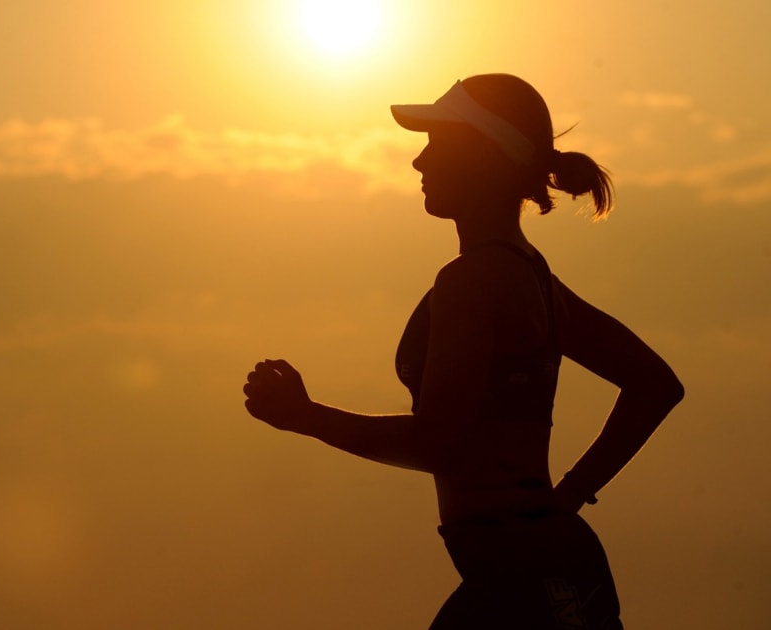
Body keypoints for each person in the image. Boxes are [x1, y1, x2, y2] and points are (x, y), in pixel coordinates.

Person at [241, 74, 684, 629]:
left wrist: (305, 417)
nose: (418, 164)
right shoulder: (532, 276)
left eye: (436, 143)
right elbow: (655, 384)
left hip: (524, 580)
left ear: (484, 155)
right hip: (544, 568)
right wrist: (567, 496)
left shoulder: (473, 280)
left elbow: (438, 443)